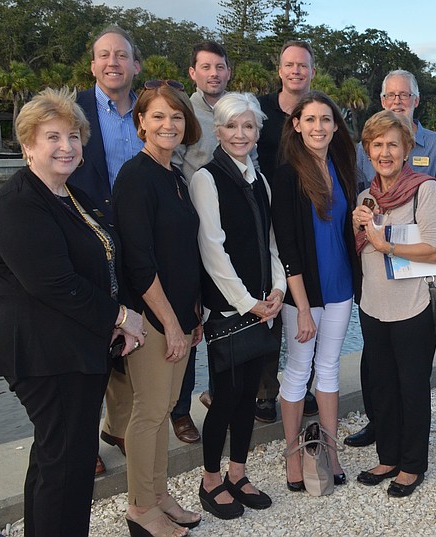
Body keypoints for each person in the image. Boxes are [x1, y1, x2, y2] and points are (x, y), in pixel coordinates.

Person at [0, 87, 145, 537]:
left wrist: (117, 317)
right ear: (28, 144)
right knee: (67, 467)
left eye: (73, 136)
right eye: (52, 137)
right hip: (46, 356)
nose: (66, 147)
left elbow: (101, 261)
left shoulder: (68, 196)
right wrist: (121, 318)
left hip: (75, 349)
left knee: (56, 457)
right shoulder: (18, 206)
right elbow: (56, 285)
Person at [113, 80, 204, 537]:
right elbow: (139, 261)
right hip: (151, 319)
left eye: (176, 116)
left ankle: (159, 494)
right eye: (159, 116)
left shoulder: (174, 175)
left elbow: (183, 252)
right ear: (141, 122)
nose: (169, 124)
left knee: (167, 405)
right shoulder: (135, 177)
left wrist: (193, 315)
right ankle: (140, 509)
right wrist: (169, 322)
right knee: (148, 412)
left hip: (181, 316)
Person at [345, 69, 436, 449]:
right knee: (383, 385)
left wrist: (386, 244)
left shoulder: (425, 190)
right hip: (375, 306)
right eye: (377, 146)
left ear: (407, 150)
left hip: (414, 304)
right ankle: (387, 456)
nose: (384, 153)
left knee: (412, 388)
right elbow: (363, 250)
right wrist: (360, 227)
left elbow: (435, 248)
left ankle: (411, 465)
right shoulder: (365, 200)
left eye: (392, 145)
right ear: (367, 151)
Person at [190, 92, 282, 518]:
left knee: (249, 396)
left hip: (265, 307)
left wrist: (277, 290)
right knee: (225, 397)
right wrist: (248, 303)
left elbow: (271, 246)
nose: (240, 134)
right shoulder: (205, 179)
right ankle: (210, 480)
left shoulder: (260, 182)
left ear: (257, 132)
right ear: (218, 130)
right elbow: (213, 252)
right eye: (232, 126)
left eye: (248, 126)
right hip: (231, 311)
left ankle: (238, 473)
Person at [168, 40, 258, 445]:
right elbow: (171, 163)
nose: (213, 74)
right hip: (193, 224)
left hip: (230, 223)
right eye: (205, 67)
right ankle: (180, 409)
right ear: (193, 72)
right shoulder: (184, 113)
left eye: (220, 67)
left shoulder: (240, 107)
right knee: (191, 318)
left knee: (226, 320)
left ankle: (219, 392)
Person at [271, 91, 360, 491]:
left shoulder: (342, 167)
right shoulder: (288, 174)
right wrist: (302, 307)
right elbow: (287, 245)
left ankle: (330, 450)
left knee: (327, 369)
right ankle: (293, 454)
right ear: (296, 125)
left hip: (341, 287)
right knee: (297, 371)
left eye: (326, 119)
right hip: (304, 293)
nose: (318, 127)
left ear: (336, 126)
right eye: (310, 120)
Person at [67, 24, 145, 474]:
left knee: (132, 335)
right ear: (93, 64)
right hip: (87, 239)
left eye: (121, 55)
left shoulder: (148, 110)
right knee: (90, 337)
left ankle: (120, 426)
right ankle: (85, 442)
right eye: (104, 55)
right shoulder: (73, 109)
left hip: (136, 239)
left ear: (135, 65)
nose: (112, 62)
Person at [255, 39, 319, 423]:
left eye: (303, 66)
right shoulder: (260, 110)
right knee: (271, 300)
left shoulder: (318, 109)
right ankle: (265, 392)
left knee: (306, 299)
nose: (296, 71)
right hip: (263, 214)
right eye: (289, 65)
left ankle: (305, 383)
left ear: (312, 71)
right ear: (280, 70)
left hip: (306, 215)